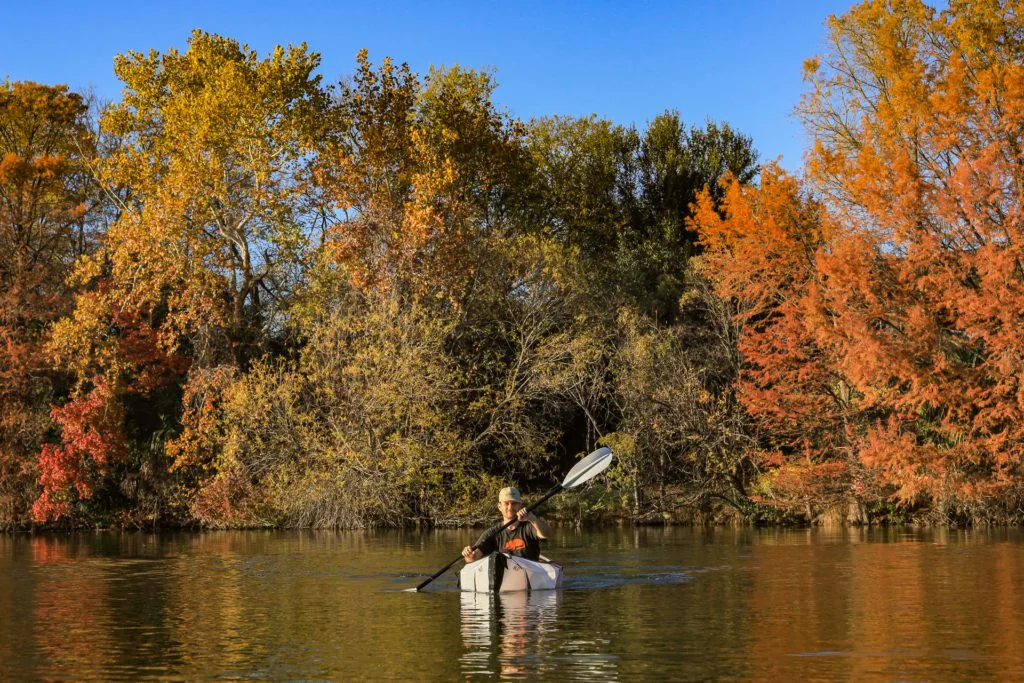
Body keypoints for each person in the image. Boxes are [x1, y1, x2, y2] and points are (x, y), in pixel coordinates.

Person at [461, 487, 553, 563]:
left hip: (530, 572)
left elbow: (547, 534)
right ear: (499, 506)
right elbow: (473, 558)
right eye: (506, 503)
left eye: (514, 503)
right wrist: (469, 555)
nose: (510, 507)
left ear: (520, 505)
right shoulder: (492, 533)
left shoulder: (529, 526)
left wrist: (533, 518)